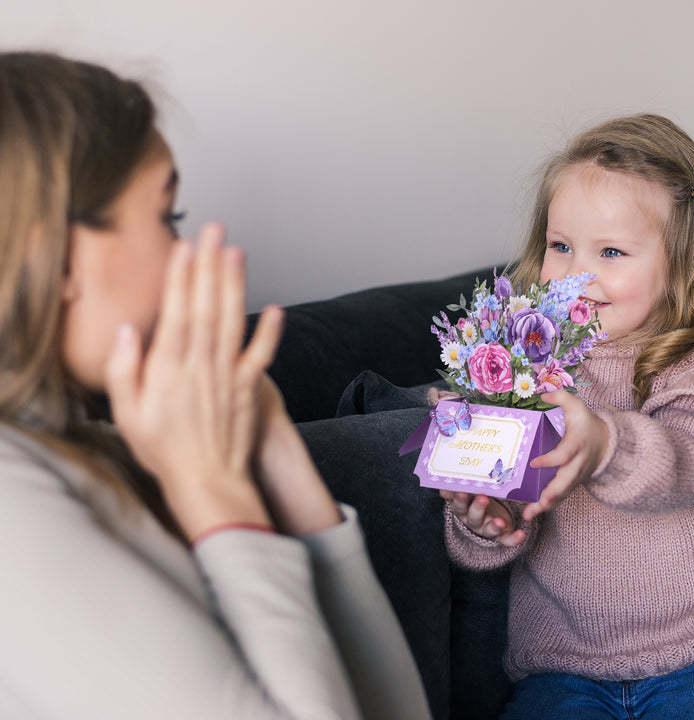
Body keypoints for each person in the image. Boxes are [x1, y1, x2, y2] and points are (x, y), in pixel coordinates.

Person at [0, 51, 432, 719]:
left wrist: (275, 456)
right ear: (52, 253)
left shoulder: (86, 447)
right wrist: (212, 489)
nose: (187, 258)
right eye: (168, 219)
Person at [441, 114, 694, 719]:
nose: (575, 276)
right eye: (561, 246)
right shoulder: (520, 365)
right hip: (560, 674)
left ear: (682, 263)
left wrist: (604, 444)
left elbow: (693, 460)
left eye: (612, 252)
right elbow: (506, 531)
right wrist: (485, 520)